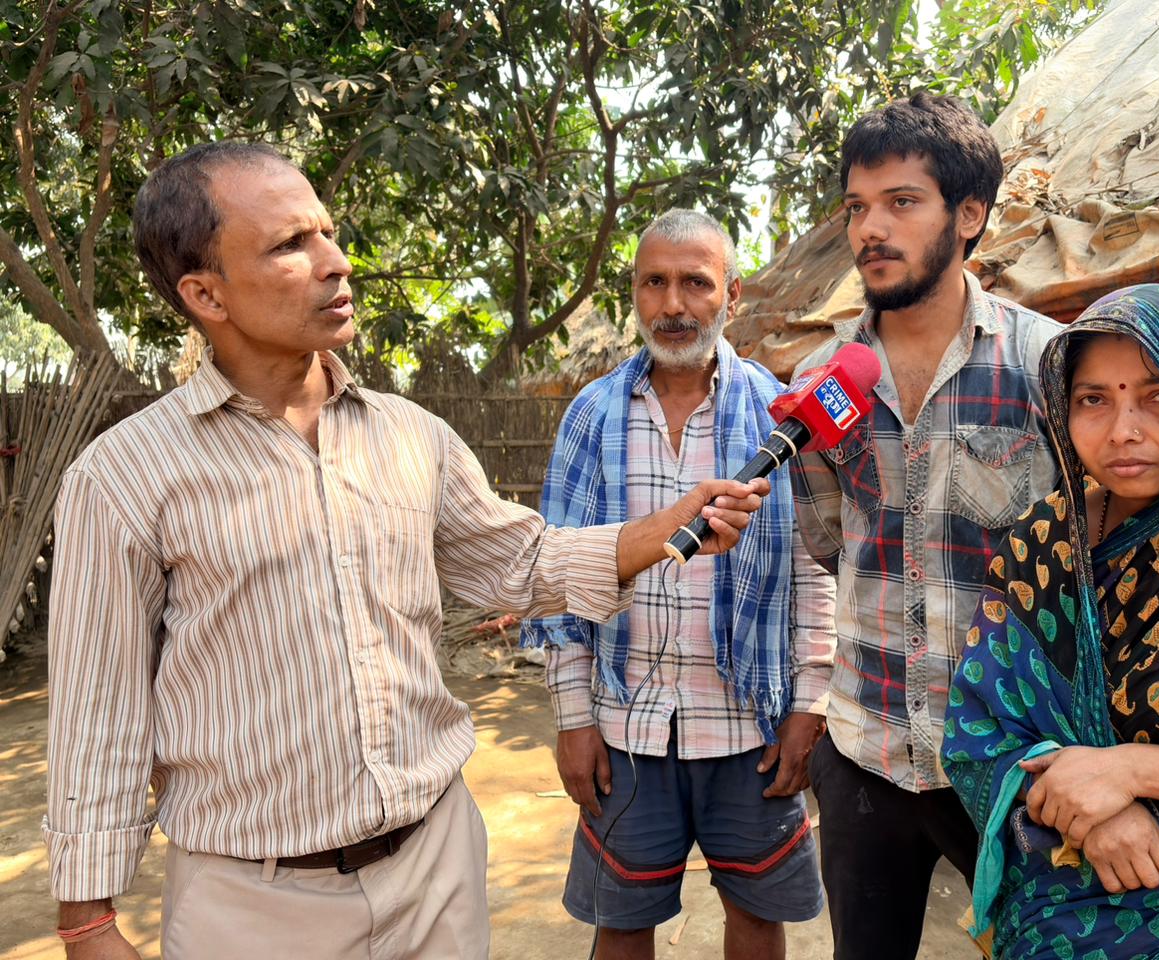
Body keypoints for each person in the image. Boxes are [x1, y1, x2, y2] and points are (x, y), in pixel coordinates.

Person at [42, 144, 770, 960]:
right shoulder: (125, 478)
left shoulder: (410, 436)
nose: (336, 262)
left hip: (436, 872)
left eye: (327, 232)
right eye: (291, 245)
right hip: (251, 906)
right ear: (204, 292)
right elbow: (95, 713)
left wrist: (657, 532)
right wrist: (88, 921)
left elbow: (520, 566)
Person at [787, 92, 1064, 960]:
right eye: (857, 207)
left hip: (1016, 761)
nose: (871, 228)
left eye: (901, 202)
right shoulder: (821, 379)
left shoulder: (1049, 366)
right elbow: (829, 544)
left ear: (969, 215)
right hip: (864, 748)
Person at [521, 209, 836, 960]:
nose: (672, 304)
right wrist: (573, 716)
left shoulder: (777, 415)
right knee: (622, 925)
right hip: (625, 728)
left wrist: (809, 702)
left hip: (749, 726)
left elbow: (809, 572)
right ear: (633, 293)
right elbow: (555, 574)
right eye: (653, 283)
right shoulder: (591, 416)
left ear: (730, 294)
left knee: (758, 918)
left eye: (695, 283)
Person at [942, 284, 1159, 960]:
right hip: (1051, 903)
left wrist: (1133, 770)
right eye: (1093, 399)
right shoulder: (1046, 538)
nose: (1123, 429)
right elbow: (981, 722)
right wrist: (1095, 816)